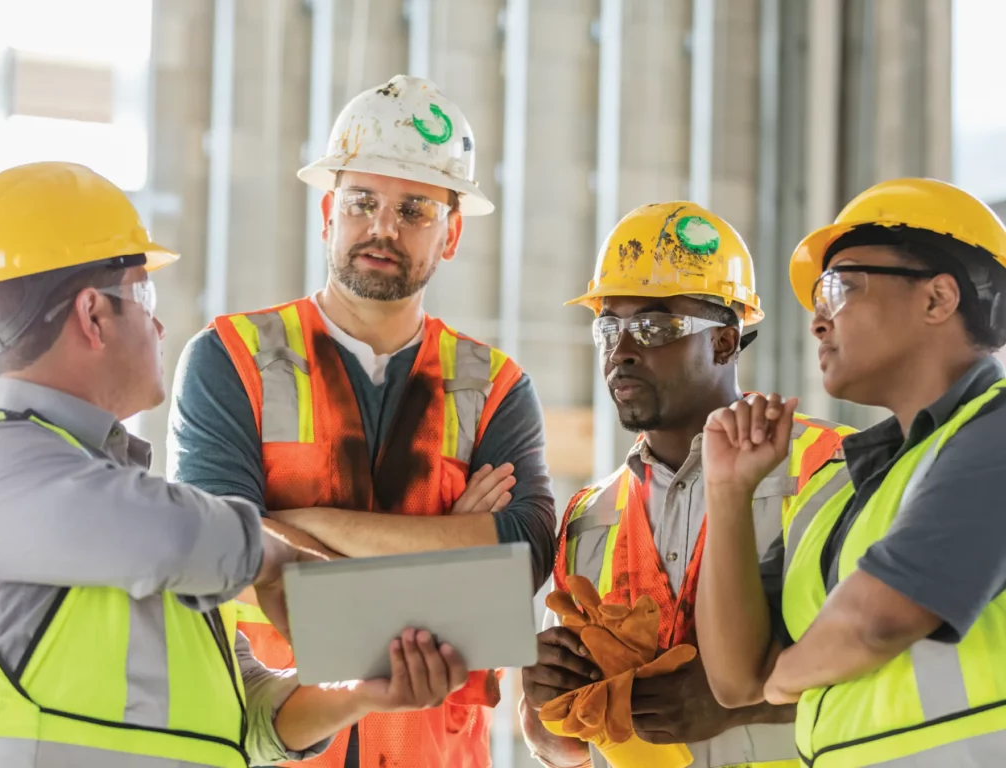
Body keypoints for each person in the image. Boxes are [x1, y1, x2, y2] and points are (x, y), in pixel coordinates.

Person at [0, 161, 472, 767]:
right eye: (144, 295)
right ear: (93, 314)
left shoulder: (122, 507)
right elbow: (174, 537)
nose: (159, 324)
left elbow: (251, 719)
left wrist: (362, 694)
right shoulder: (0, 469)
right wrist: (279, 561)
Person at [167, 74, 556, 767]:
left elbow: (524, 555)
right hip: (267, 739)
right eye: (362, 203)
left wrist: (296, 526)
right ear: (327, 214)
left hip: (431, 751)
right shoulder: (231, 360)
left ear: (452, 233)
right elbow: (215, 542)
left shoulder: (494, 387)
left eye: (415, 210)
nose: (383, 227)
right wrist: (454, 541)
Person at [519, 202, 854, 768]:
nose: (622, 351)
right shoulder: (589, 517)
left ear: (724, 342)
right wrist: (545, 699)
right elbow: (559, 749)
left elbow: (888, 662)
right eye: (610, 327)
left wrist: (741, 703)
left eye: (652, 326)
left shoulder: (828, 469)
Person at [695, 178, 1006, 767]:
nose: (817, 321)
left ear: (938, 299)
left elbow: (880, 618)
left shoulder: (996, 429)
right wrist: (729, 491)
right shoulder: (838, 489)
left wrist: (786, 677)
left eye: (840, 287)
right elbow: (736, 683)